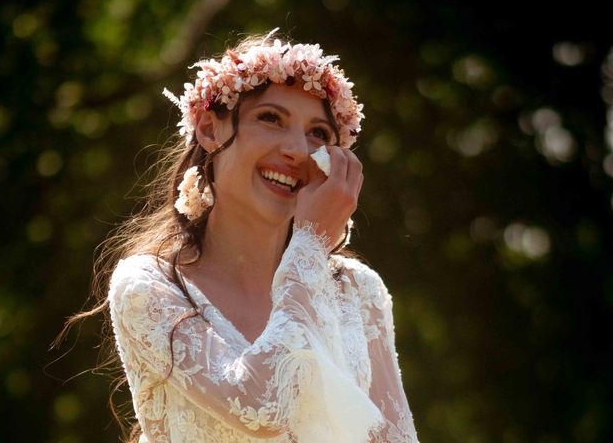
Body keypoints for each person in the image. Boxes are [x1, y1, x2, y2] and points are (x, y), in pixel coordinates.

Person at [99, 29, 419, 442]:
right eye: (271, 119)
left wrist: (311, 252)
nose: (298, 150)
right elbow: (260, 407)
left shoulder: (358, 292)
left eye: (318, 134)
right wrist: (310, 245)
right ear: (210, 130)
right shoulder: (148, 286)